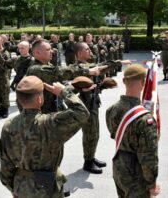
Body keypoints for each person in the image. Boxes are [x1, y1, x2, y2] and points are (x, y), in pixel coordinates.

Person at [0, 76, 90, 198]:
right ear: (40, 99)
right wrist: (63, 91)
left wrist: (13, 187)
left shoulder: (8, 126)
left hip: (22, 186)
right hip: (48, 188)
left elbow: (5, 165)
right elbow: (82, 112)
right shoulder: (49, 124)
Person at [74, 42, 131, 174]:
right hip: (85, 107)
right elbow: (101, 68)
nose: (89, 50)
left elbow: (99, 72)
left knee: (94, 133)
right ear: (79, 53)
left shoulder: (87, 66)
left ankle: (91, 157)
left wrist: (104, 85)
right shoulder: (79, 68)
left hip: (92, 104)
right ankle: (87, 162)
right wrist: (119, 62)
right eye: (86, 49)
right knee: (89, 134)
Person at [106, 64, 160, 198]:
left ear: (124, 81)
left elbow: (115, 135)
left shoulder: (112, 109)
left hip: (119, 167)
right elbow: (148, 157)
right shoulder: (145, 120)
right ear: (143, 83)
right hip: (136, 174)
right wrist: (151, 183)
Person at [26, 39, 104, 114]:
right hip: (42, 115)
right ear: (37, 53)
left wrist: (79, 87)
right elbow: (61, 72)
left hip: (54, 109)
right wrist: (88, 71)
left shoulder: (48, 65)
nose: (52, 52)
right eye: (48, 50)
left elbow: (62, 86)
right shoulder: (36, 69)